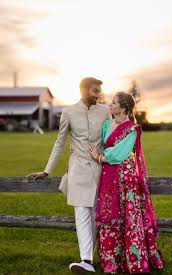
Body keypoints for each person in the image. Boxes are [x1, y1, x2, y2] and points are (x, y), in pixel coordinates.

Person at [29, 77, 111, 273]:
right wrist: (48, 169)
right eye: (94, 90)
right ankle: (86, 260)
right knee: (82, 213)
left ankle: (87, 260)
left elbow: (111, 139)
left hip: (101, 171)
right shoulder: (69, 111)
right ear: (83, 91)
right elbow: (60, 142)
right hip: (78, 171)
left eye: (99, 90)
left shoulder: (105, 111)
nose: (98, 94)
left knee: (94, 215)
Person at [88, 91, 164, 274]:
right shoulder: (107, 124)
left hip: (126, 179)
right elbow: (101, 143)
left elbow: (118, 155)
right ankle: (112, 261)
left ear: (123, 108)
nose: (110, 105)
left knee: (127, 217)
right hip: (108, 176)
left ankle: (132, 261)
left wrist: (99, 157)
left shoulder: (133, 129)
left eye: (114, 103)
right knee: (110, 214)